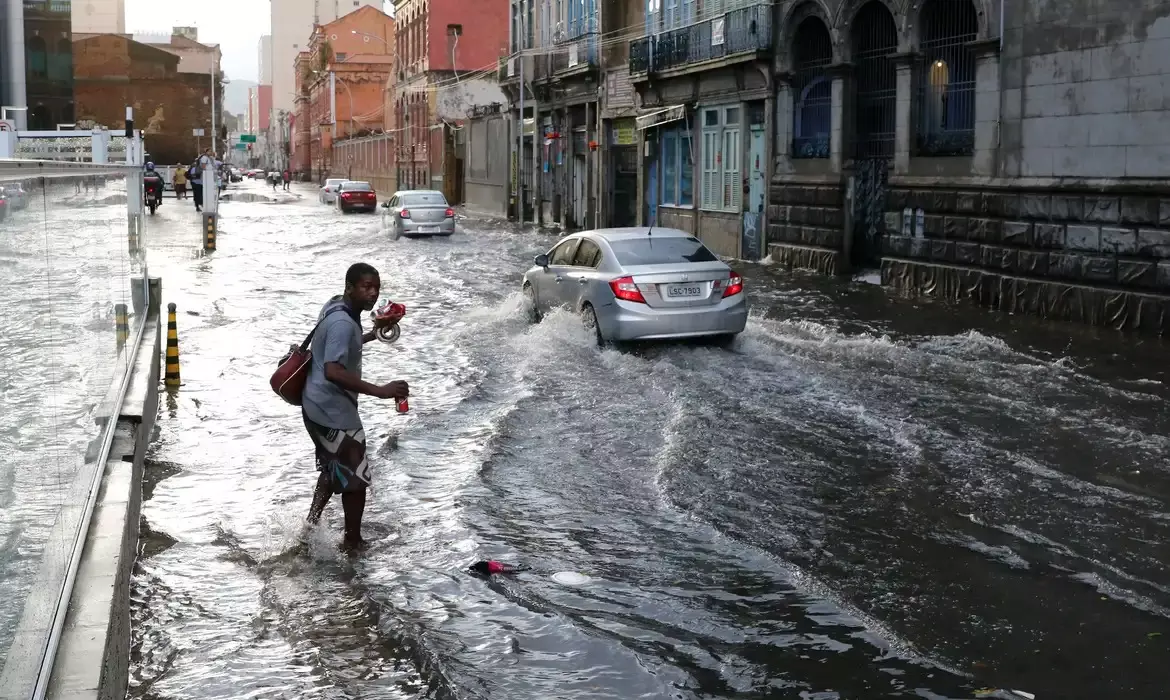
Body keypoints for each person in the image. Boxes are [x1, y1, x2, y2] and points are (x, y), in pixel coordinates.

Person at [302, 263, 409, 551]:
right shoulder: (343, 323)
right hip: (331, 410)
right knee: (357, 475)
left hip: (314, 405)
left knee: (333, 466)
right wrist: (381, 391)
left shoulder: (336, 307)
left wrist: (375, 334)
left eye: (376, 288)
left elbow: (337, 346)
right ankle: (352, 541)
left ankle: (310, 526)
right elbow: (333, 371)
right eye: (365, 287)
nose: (372, 293)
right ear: (349, 286)